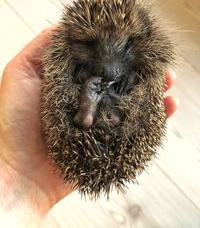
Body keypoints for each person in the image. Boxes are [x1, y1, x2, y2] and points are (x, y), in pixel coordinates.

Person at [0, 27, 179, 228]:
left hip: (108, 119)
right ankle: (107, 112)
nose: (109, 68)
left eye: (125, 46)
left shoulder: (147, 44)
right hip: (113, 115)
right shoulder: (65, 46)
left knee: (134, 100)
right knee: (69, 84)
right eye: (93, 47)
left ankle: (89, 110)